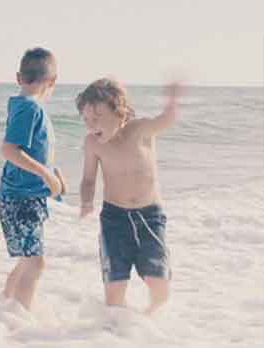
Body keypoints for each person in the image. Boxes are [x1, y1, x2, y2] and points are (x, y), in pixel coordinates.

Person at [77, 77, 181, 315]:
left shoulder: (140, 130)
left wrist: (172, 101)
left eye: (97, 118)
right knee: (114, 293)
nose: (91, 126)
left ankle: (147, 322)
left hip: (149, 217)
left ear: (121, 114)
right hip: (115, 219)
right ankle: (119, 330)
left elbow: (165, 120)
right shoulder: (93, 143)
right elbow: (88, 179)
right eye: (86, 120)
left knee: (160, 287)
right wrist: (86, 201)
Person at [0, 47, 66, 311]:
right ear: (53, 81)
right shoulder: (29, 108)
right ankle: (19, 318)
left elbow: (36, 149)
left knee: (28, 260)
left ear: (18, 77)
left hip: (22, 197)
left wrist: (54, 172)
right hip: (21, 198)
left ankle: (5, 308)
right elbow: (9, 150)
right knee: (35, 263)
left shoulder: (26, 106)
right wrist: (47, 174)